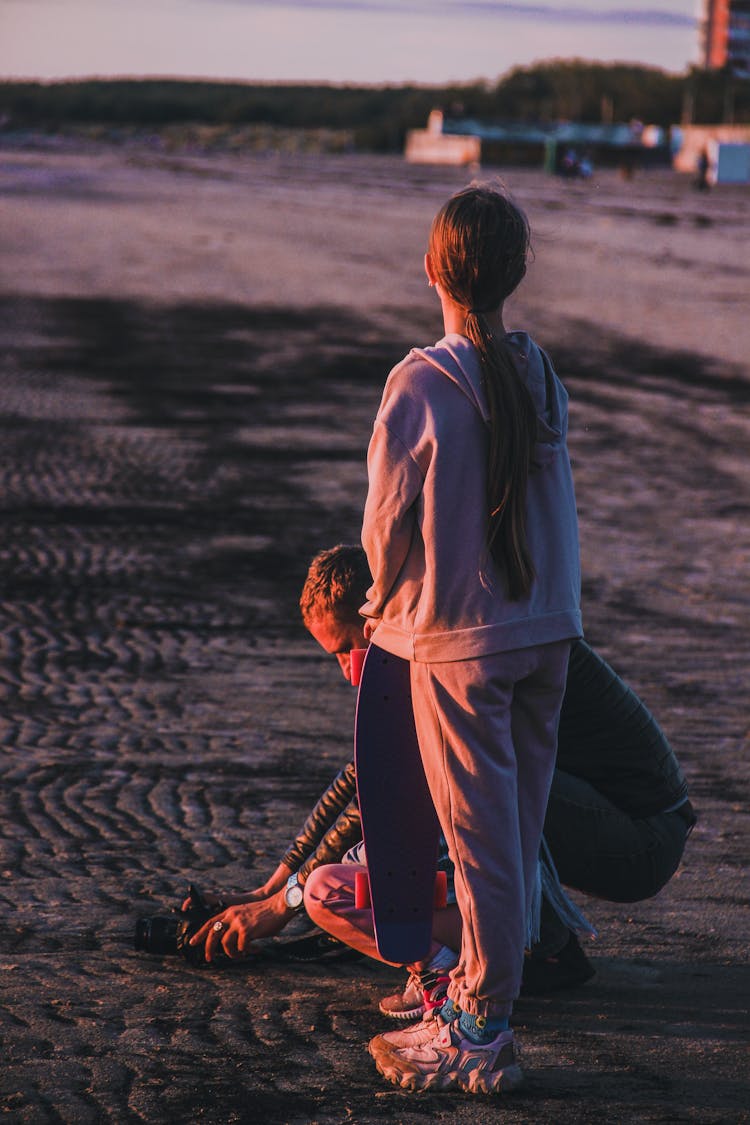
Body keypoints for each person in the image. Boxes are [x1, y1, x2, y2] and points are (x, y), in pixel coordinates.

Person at [188, 544, 694, 1018]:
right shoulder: (422, 630)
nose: (347, 674)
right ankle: (541, 942)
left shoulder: (440, 644)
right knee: (436, 776)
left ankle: (535, 948)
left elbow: (381, 795)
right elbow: (362, 777)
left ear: (373, 621)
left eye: (346, 650)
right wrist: (267, 889)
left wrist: (284, 906)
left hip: (643, 837)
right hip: (620, 816)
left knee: (445, 773)